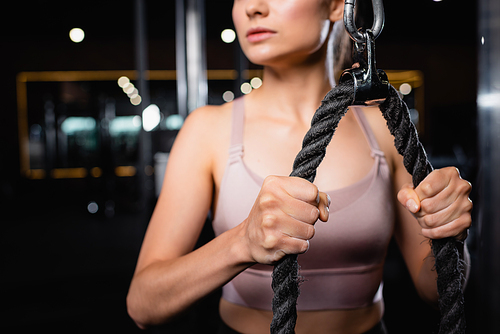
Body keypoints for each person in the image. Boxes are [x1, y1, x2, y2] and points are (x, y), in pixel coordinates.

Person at [126, 0, 472, 333]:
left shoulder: (383, 129)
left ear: (338, 4)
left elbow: (436, 291)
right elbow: (143, 305)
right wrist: (242, 243)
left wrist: (451, 234)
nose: (252, 7)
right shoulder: (208, 130)